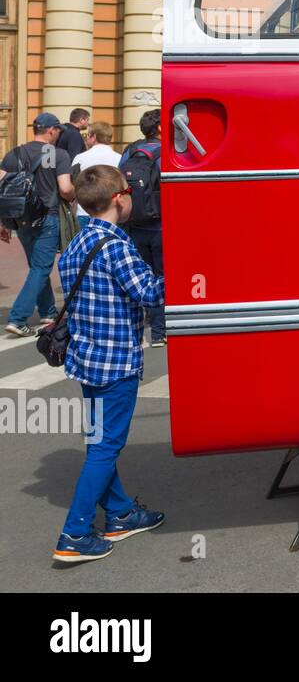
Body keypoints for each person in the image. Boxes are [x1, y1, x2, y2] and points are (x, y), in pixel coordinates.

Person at [52, 164, 165, 564]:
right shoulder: (116, 246)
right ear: (118, 198)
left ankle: (119, 514)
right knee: (104, 447)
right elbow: (149, 293)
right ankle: (76, 532)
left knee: (100, 442)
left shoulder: (78, 244)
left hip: (87, 359)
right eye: (129, 191)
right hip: (116, 362)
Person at [0, 112, 76, 336]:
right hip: (47, 217)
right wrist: (74, 195)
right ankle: (18, 318)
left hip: (20, 219)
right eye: (58, 131)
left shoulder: (14, 153)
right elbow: (64, 188)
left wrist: (4, 222)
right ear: (51, 130)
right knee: (41, 268)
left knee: (37, 266)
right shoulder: (57, 154)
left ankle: (48, 312)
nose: (59, 134)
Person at [119, 110, 165, 347]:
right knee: (161, 275)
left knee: (142, 274)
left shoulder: (129, 151)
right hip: (160, 224)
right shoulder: (165, 153)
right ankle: (158, 332)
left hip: (135, 224)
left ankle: (142, 321)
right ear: (159, 128)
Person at [70, 121, 118, 228]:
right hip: (111, 214)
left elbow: (73, 185)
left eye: (87, 135)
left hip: (84, 212)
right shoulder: (119, 158)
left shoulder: (80, 158)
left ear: (93, 137)